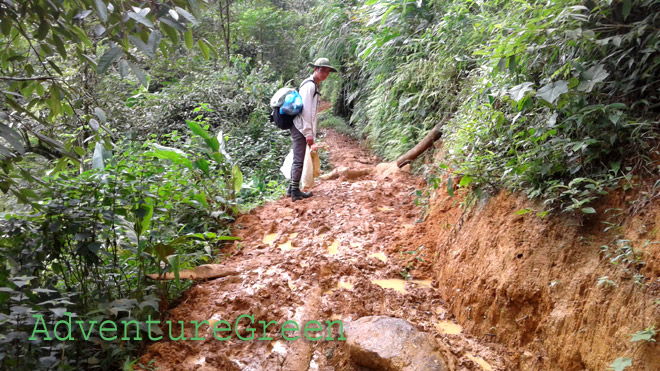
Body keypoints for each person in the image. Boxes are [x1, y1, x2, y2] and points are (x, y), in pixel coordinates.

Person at [288, 57, 338, 202]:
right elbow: (306, 112)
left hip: (300, 127)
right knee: (298, 160)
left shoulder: (313, 85)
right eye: (322, 70)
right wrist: (308, 134)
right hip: (300, 127)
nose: (325, 74)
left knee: (299, 157)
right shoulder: (309, 86)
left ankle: (292, 189)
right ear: (315, 69)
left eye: (327, 71)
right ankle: (295, 192)